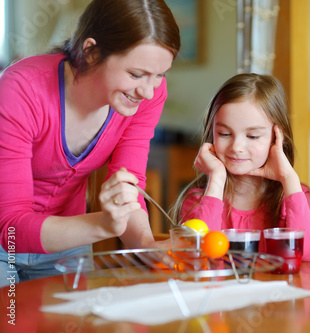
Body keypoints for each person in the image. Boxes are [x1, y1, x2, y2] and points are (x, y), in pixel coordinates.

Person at [0, 0, 181, 286]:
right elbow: (10, 228)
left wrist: (146, 245)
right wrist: (103, 225)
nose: (148, 91)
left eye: (160, 75)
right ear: (91, 51)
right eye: (136, 74)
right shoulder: (20, 89)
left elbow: (129, 185)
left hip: (69, 239)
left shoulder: (146, 95)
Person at [171, 73, 310, 261]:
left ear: (276, 138)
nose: (236, 147)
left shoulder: (292, 194)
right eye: (224, 134)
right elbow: (197, 254)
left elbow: (306, 253)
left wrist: (288, 177)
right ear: (212, 133)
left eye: (252, 136)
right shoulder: (199, 199)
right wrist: (216, 178)